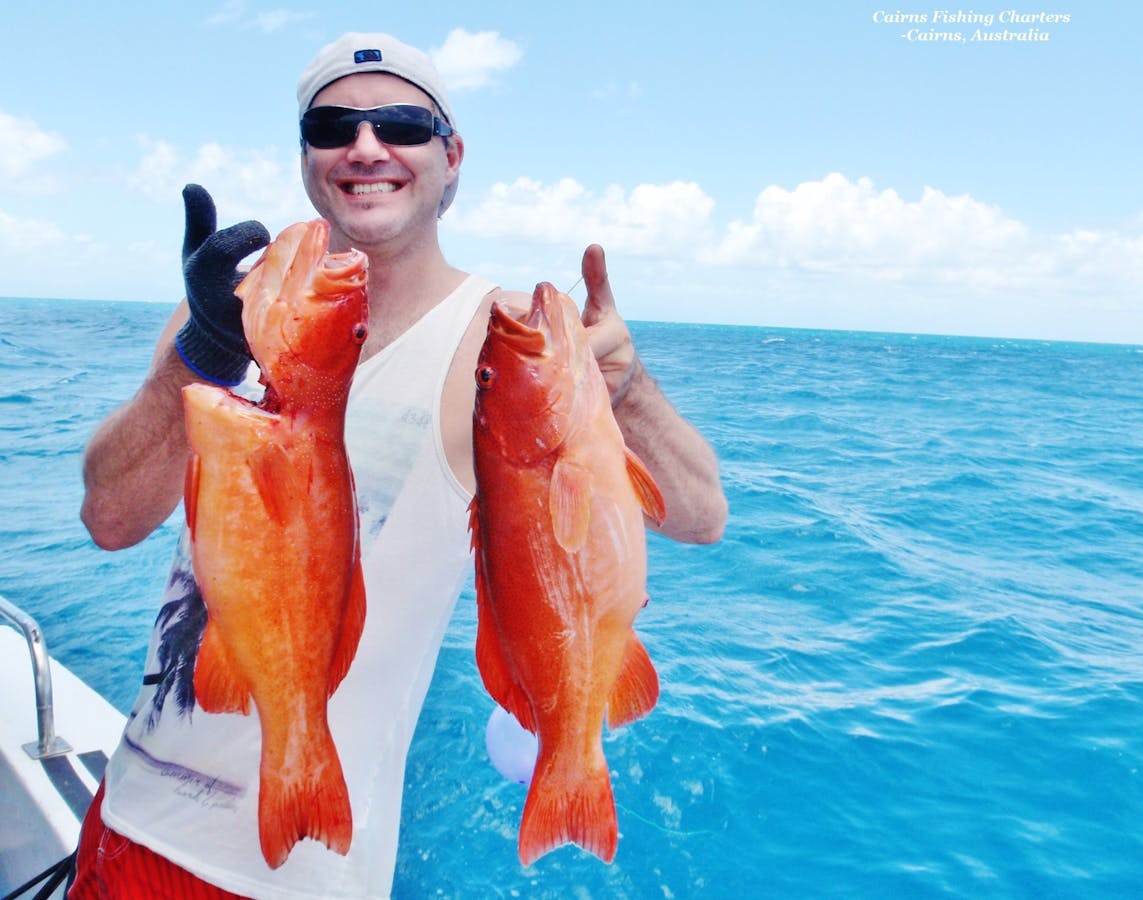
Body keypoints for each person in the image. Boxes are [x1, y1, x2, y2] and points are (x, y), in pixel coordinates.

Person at [71, 32, 726, 899]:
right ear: (306, 156)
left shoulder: (496, 343)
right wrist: (195, 353)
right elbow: (109, 518)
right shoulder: (234, 311)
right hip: (125, 819)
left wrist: (630, 390)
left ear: (451, 159)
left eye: (404, 123)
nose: (367, 146)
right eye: (334, 123)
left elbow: (700, 514)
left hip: (294, 878)